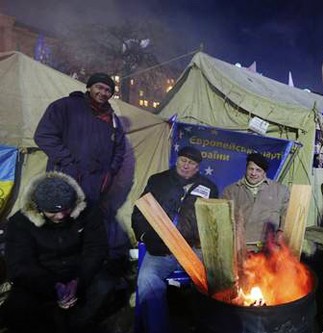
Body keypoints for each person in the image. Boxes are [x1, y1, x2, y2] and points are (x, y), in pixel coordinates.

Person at [3, 171, 116, 333]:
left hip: (78, 273)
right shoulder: (20, 222)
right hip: (41, 278)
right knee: (15, 308)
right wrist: (53, 286)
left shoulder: (89, 212)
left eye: (66, 209)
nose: (61, 215)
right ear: (38, 208)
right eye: (53, 212)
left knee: (105, 285)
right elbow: (20, 264)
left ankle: (76, 325)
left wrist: (78, 280)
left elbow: (96, 250)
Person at [132, 146, 218, 333]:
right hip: (161, 250)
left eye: (192, 163)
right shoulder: (158, 181)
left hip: (193, 250)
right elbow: (139, 213)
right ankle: (158, 328)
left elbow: (214, 222)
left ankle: (205, 326)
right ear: (177, 160)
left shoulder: (209, 187)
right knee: (147, 278)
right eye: (183, 161)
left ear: (198, 167)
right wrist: (146, 237)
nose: (186, 166)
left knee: (215, 280)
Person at [34, 73, 126, 207]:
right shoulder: (66, 106)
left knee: (86, 222)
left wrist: (110, 172)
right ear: (89, 87)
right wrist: (68, 163)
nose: (103, 93)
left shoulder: (112, 119)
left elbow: (119, 148)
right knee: (59, 217)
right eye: (99, 87)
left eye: (108, 90)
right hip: (65, 177)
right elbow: (44, 135)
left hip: (95, 184)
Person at [222, 153, 290, 250]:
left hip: (270, 249)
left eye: (258, 170)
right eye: (251, 169)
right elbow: (223, 220)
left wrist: (281, 231)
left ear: (264, 173)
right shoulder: (231, 191)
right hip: (240, 248)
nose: (253, 173)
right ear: (246, 169)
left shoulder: (281, 191)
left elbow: (286, 214)